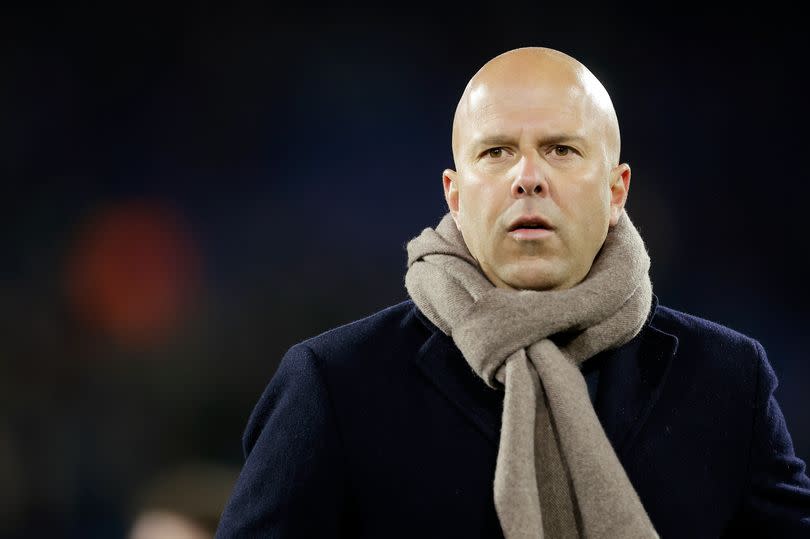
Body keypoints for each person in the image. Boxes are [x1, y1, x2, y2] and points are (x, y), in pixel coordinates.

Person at [215, 47, 810, 538]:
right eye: (497, 152)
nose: (528, 176)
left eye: (561, 150)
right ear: (454, 194)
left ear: (616, 190)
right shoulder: (334, 384)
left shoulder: (728, 380)